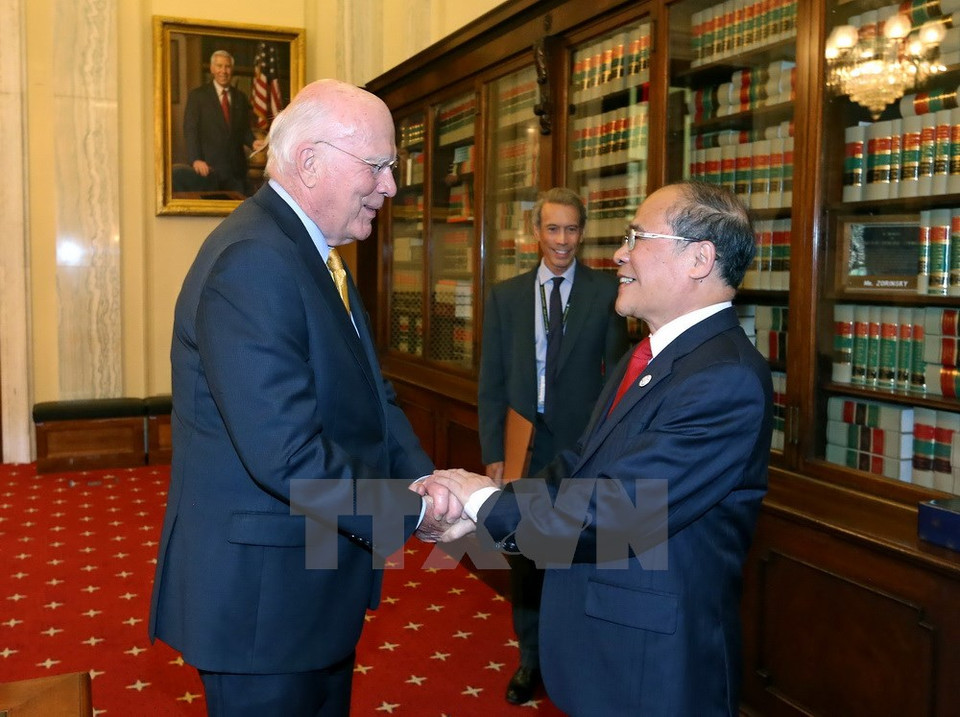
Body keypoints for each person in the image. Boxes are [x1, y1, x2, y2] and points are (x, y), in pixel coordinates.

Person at [149, 79, 465, 717]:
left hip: (304, 588)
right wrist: (415, 512)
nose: (390, 187)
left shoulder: (308, 252)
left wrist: (425, 476)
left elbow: (373, 396)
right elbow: (287, 457)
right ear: (310, 162)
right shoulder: (254, 261)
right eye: (377, 166)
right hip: (262, 608)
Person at [425, 180, 773, 716]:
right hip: (607, 648)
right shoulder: (650, 355)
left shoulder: (725, 377)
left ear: (699, 259)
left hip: (653, 670)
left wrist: (481, 503)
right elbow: (576, 468)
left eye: (638, 236)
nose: (619, 253)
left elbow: (619, 510)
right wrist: (490, 509)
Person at [477, 187, 628, 704]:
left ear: (582, 234)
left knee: (583, 557)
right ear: (535, 233)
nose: (561, 240)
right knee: (527, 563)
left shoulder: (608, 293)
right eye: (552, 229)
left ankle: (580, 660)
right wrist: (493, 451)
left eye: (571, 229)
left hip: (583, 450)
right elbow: (492, 380)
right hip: (525, 446)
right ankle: (530, 660)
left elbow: (616, 382)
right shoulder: (505, 296)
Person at [181, 50, 265, 195]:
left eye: (227, 67)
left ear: (232, 69)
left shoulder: (240, 97)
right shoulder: (198, 97)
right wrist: (195, 159)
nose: (223, 71)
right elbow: (190, 130)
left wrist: (253, 143)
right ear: (212, 69)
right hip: (208, 170)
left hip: (237, 172)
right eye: (219, 66)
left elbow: (244, 130)